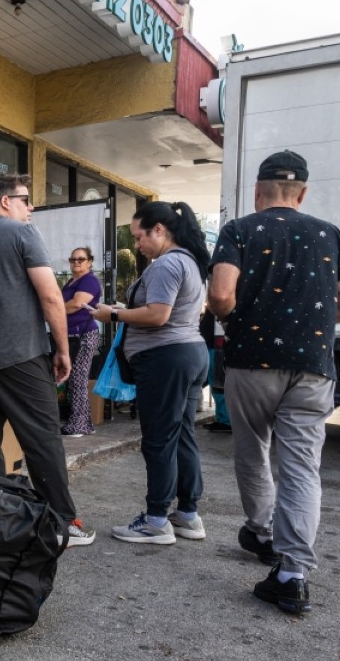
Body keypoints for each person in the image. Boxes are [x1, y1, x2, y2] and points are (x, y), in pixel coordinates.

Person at [208, 150, 340, 614]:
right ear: (303, 193)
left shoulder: (240, 230)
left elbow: (220, 295)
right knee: (302, 468)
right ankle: (292, 574)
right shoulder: (329, 234)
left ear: (259, 192)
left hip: (252, 364)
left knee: (253, 451)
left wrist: (236, 315)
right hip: (313, 367)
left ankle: (261, 532)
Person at [0, 174, 95, 547]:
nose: (31, 208)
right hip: (22, 357)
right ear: (5, 202)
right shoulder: (22, 235)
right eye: (26, 201)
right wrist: (62, 349)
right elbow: (52, 297)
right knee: (42, 441)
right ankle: (63, 523)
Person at [93, 201, 210, 546]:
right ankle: (187, 514)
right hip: (189, 354)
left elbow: (158, 315)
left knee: (159, 440)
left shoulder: (167, 264)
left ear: (159, 229)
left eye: (139, 236)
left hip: (165, 359)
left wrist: (113, 315)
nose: (136, 245)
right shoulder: (190, 261)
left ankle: (157, 520)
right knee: (183, 435)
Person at [60, 246, 102, 437]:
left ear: (90, 261)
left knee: (78, 378)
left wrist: (53, 311)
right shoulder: (71, 282)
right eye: (73, 259)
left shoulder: (90, 281)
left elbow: (76, 304)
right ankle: (83, 423)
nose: (76, 262)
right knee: (75, 379)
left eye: (81, 259)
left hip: (85, 334)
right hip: (72, 335)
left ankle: (79, 424)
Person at [199, 305, 232, 432]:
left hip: (218, 342)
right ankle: (223, 418)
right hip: (215, 341)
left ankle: (226, 420)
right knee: (217, 382)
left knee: (219, 383)